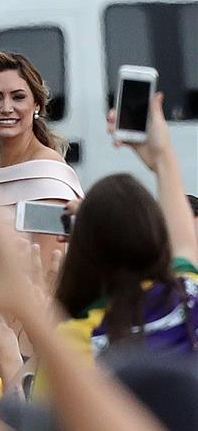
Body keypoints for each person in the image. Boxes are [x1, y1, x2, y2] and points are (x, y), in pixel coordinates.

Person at [54, 93, 198, 358]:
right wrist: (162, 156)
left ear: (83, 250)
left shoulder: (71, 340)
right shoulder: (186, 304)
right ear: (156, 238)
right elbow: (186, 246)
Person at [0, 51, 83, 265]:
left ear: (37, 105)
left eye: (18, 97)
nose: (6, 108)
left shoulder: (48, 180)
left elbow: (51, 269)